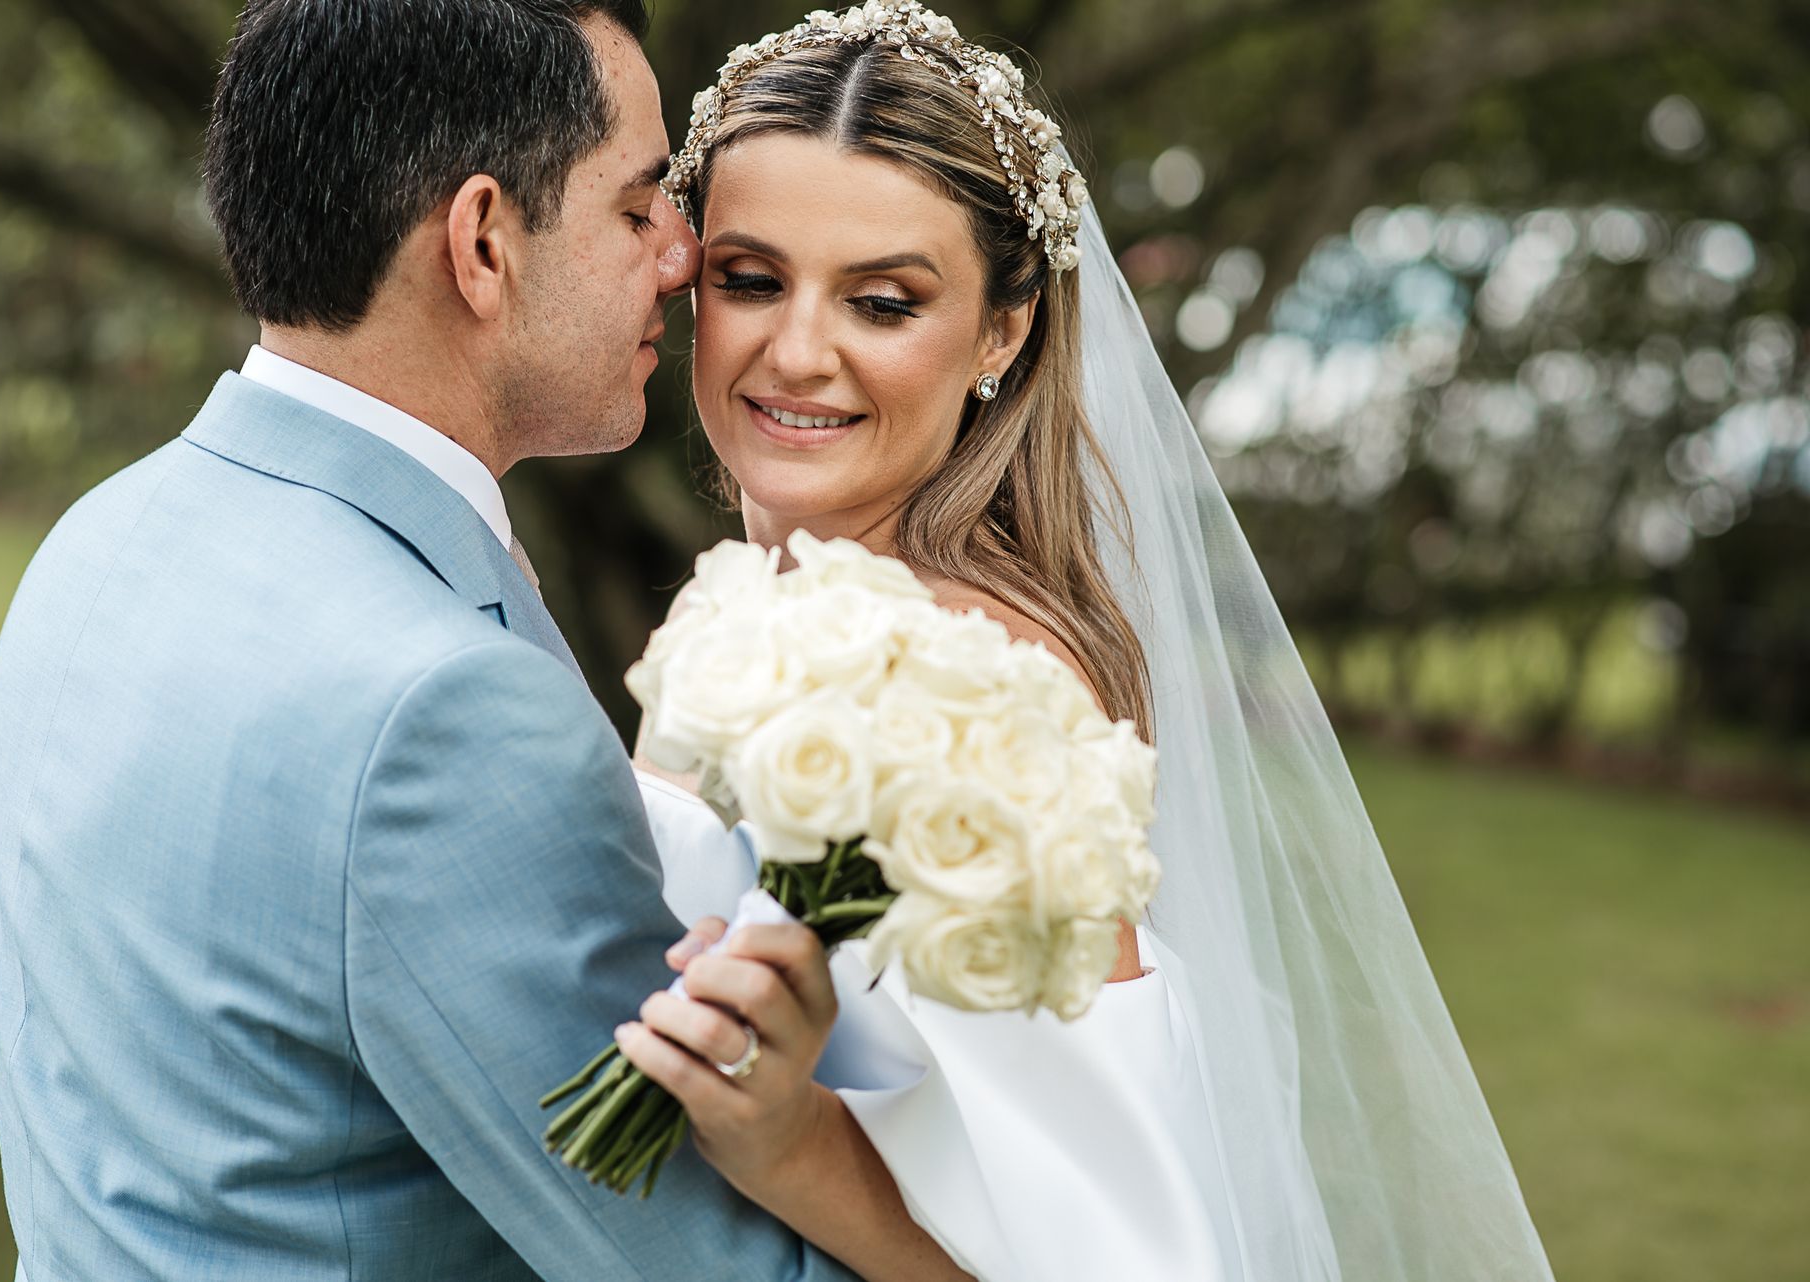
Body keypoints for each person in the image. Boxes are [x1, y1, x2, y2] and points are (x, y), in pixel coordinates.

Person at [0, 1, 950, 1277]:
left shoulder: (104, 536)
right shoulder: (441, 713)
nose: (683, 255)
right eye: (637, 207)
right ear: (484, 243)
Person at [621, 3, 1561, 1279]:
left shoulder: (982, 698)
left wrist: (787, 1142)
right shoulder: (756, 613)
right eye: (750, 279)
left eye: (882, 302)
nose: (796, 352)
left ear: (1002, 331)